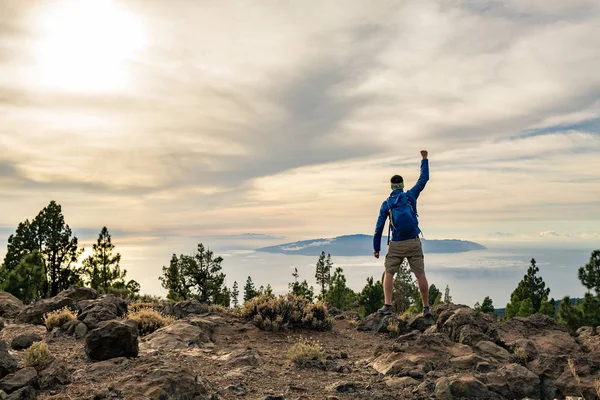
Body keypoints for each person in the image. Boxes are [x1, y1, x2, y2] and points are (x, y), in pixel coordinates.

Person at [373, 150, 431, 317]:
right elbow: (423, 179)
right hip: (413, 241)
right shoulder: (410, 196)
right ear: (403, 185)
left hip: (396, 244)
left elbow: (379, 227)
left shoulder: (387, 204)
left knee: (389, 273)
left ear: (391, 187)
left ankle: (388, 306)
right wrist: (424, 159)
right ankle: (426, 308)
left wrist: (376, 248)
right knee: (420, 274)